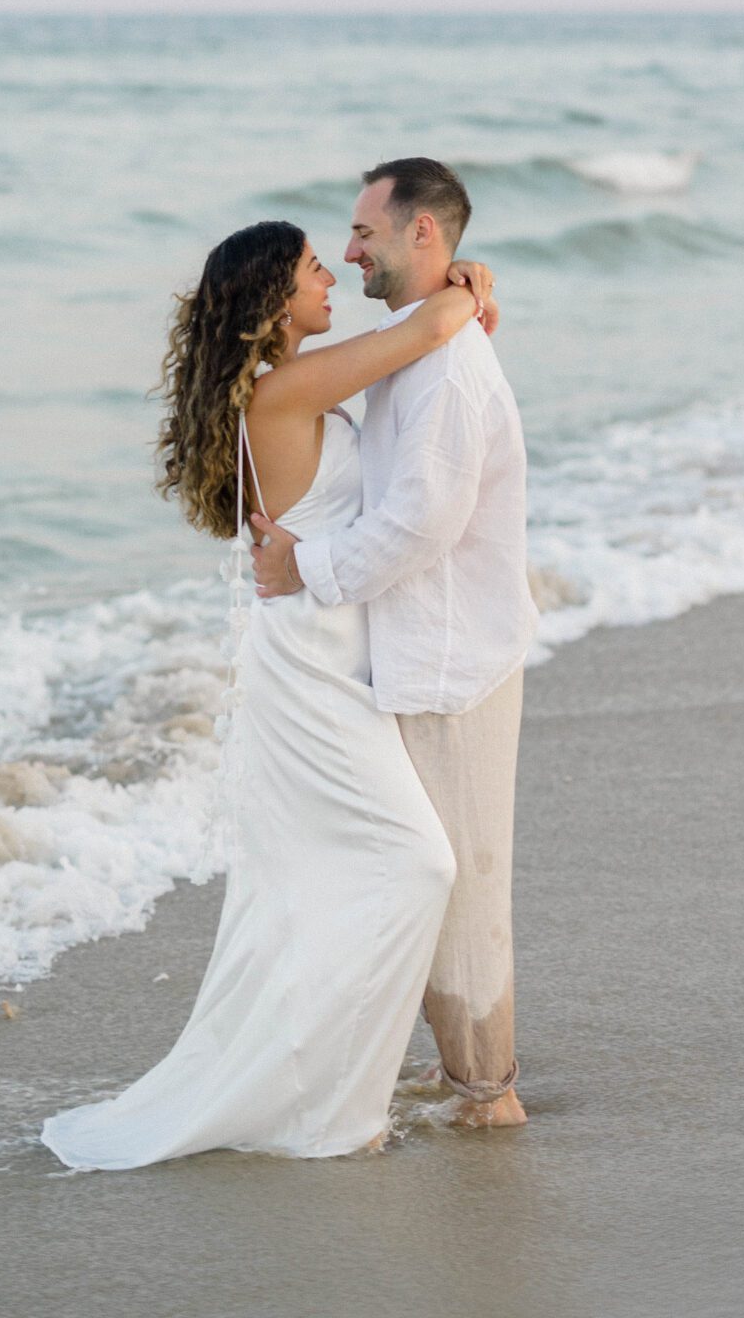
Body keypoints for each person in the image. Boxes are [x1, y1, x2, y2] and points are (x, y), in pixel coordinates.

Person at [40, 217, 497, 1167]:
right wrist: (466, 281)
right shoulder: (284, 390)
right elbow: (419, 333)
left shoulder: (286, 391)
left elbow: (426, 343)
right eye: (310, 268)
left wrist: (460, 291)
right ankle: (327, 1096)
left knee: (340, 876)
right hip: (312, 673)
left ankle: (334, 1078)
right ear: (270, 301)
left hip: (325, 657)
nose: (331, 273)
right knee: (417, 865)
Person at [252, 157, 538, 1127]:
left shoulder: (447, 365)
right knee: (427, 873)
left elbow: (422, 525)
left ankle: (485, 1092)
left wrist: (307, 570)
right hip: (411, 650)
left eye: (365, 231)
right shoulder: (418, 345)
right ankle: (457, 1066)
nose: (348, 249)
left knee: (461, 881)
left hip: (451, 660)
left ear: (424, 233)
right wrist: (465, 293)